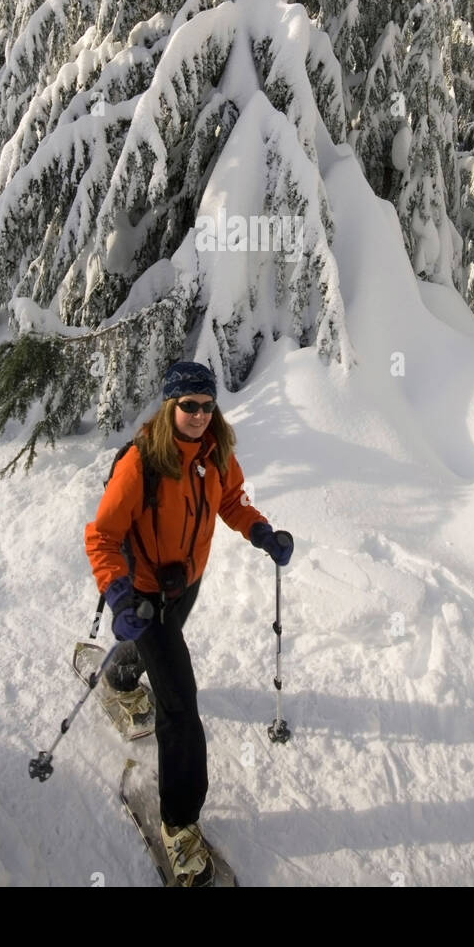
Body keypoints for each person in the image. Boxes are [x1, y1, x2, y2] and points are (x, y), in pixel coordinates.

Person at [84, 360, 294, 887]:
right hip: (144, 591)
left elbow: (231, 500)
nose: (200, 414)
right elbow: (102, 535)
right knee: (179, 707)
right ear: (169, 406)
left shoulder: (216, 450)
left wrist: (261, 531)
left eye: (207, 404)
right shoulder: (141, 463)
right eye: (189, 405)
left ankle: (119, 678)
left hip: (186, 583)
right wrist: (117, 594)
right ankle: (179, 825)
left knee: (158, 658)